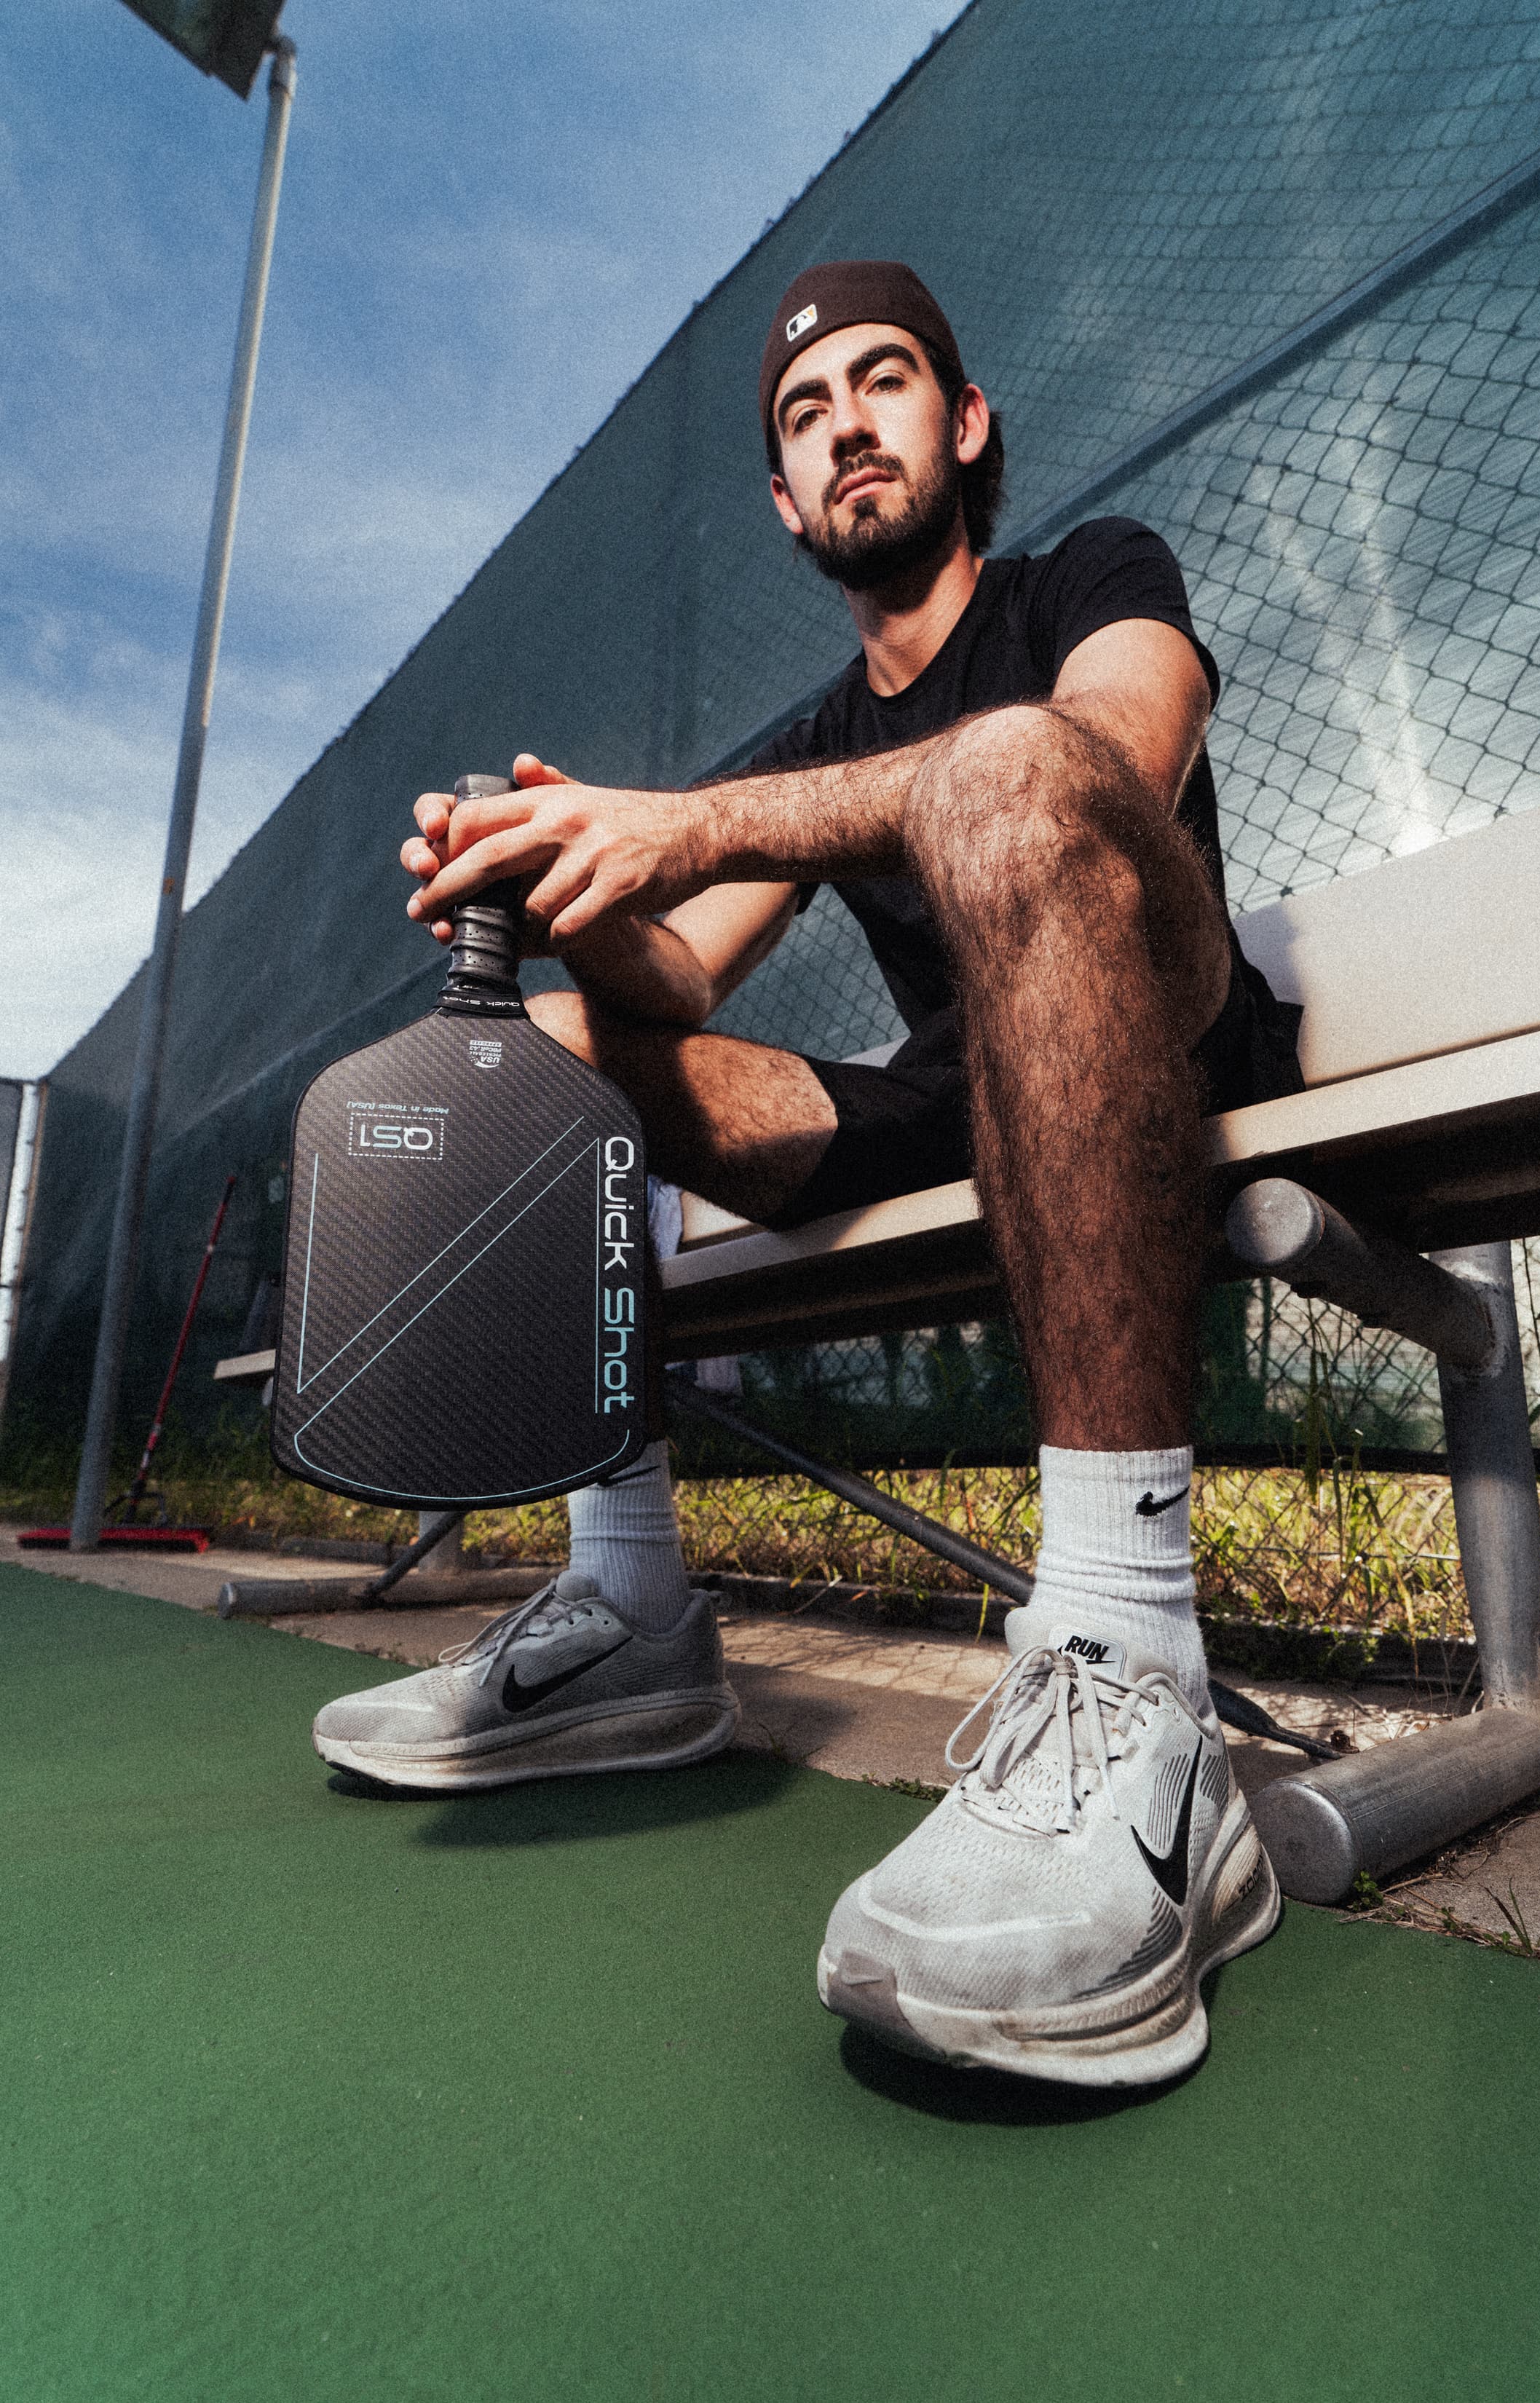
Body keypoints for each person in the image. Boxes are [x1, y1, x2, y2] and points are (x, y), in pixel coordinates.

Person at [312, 261, 1303, 2086]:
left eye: (882, 380)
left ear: (963, 423)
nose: (846, 423)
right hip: (956, 1095)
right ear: (784, 500)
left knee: (1010, 775)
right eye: (803, 412)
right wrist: (565, 888)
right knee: (557, 1050)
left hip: (1165, 1033)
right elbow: (676, 983)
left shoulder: (1090, 579)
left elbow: (1104, 759)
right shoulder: (822, 733)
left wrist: (684, 821)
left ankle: (1131, 1665)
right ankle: (629, 1612)